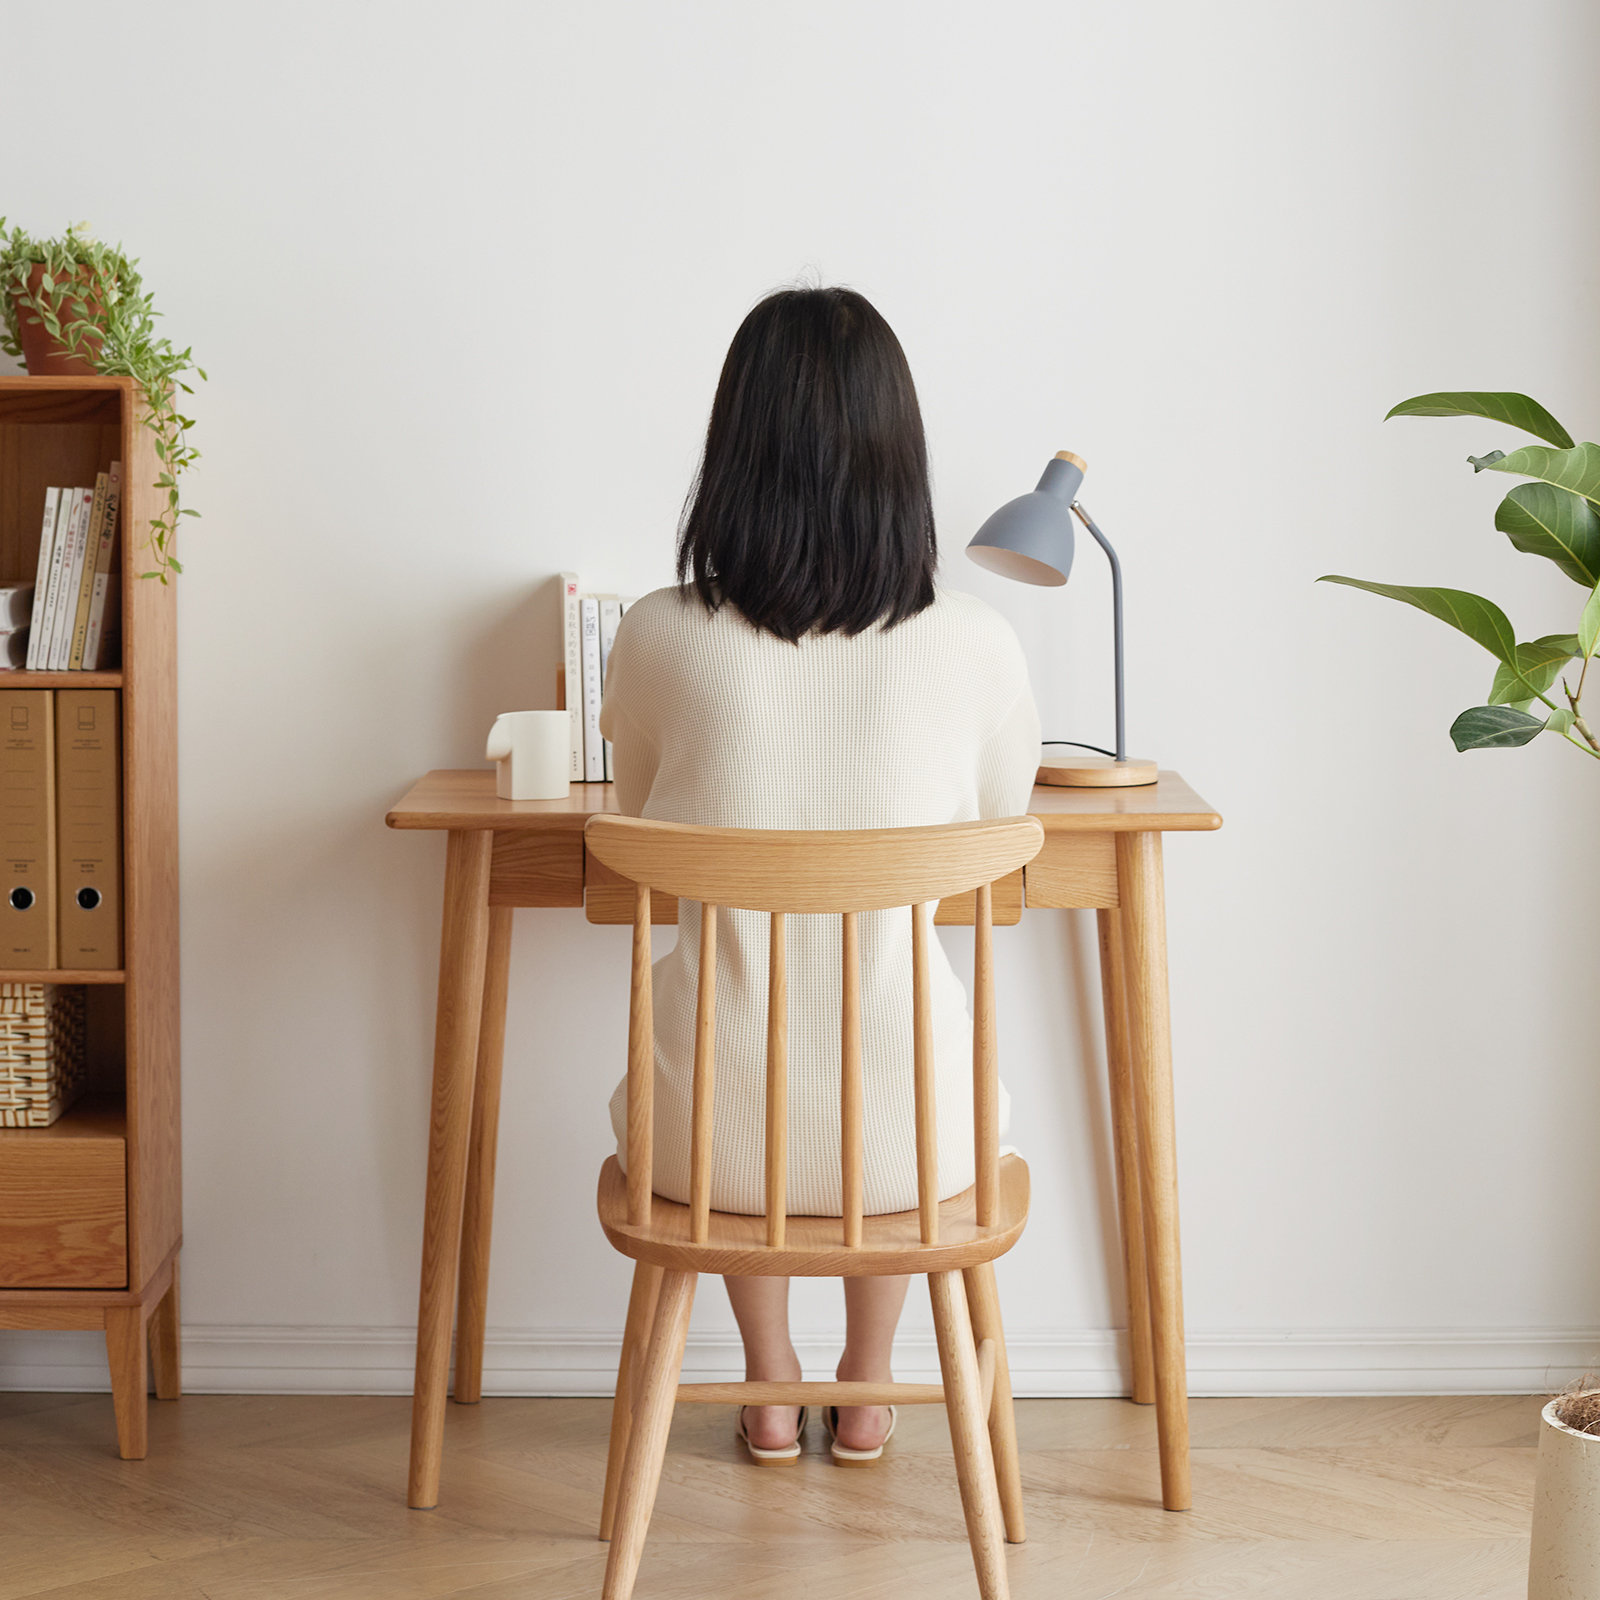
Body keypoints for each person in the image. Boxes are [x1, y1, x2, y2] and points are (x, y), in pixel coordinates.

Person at [599, 285, 1040, 1464]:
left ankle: (766, 1373)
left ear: (732, 451)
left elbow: (636, 814)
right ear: (902, 455)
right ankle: (868, 1377)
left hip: (702, 1149)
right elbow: (1003, 838)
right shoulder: (978, 644)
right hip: (918, 1148)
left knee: (734, 1055)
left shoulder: (651, 635)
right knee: (899, 1060)